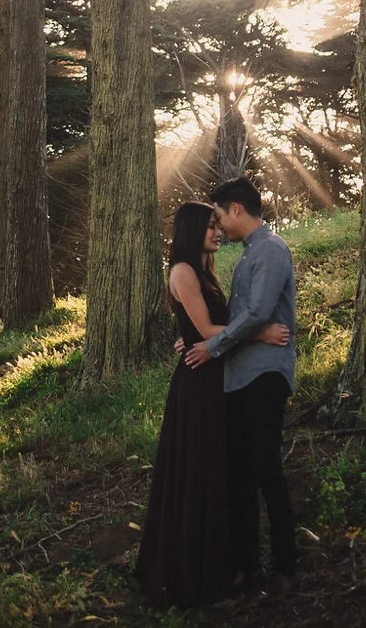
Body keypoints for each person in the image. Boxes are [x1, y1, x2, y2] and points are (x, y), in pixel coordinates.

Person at [135, 201, 290, 608]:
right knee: (199, 476)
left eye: (217, 226)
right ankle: (195, 578)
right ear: (190, 231)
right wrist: (261, 334)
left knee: (218, 473)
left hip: (214, 377)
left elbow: (202, 330)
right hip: (197, 384)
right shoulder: (184, 271)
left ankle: (226, 567)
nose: (216, 232)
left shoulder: (205, 271)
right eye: (209, 227)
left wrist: (190, 336)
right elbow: (206, 329)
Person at [184, 175, 299, 596]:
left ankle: (284, 568)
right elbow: (245, 321)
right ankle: (248, 567)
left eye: (218, 216)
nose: (217, 227)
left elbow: (257, 315)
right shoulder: (250, 256)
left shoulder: (271, 250)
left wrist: (212, 348)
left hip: (265, 374)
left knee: (266, 468)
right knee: (240, 475)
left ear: (236, 209)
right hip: (239, 378)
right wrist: (204, 338)